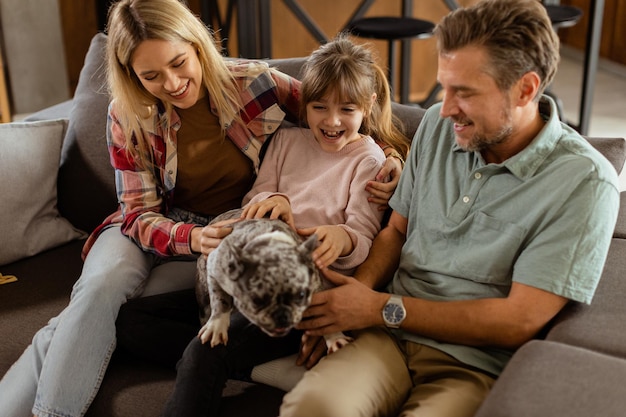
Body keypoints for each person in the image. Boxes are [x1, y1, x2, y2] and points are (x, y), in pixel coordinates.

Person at [0, 1, 403, 417]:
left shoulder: (253, 83)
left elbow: (339, 113)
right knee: (99, 290)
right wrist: (190, 237)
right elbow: (138, 213)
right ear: (131, 75)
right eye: (151, 76)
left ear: (197, 46)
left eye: (178, 63)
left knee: (99, 318)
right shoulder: (127, 113)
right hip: (150, 231)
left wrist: (392, 158)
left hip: (221, 236)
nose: (172, 83)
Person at [278, 1, 621, 416]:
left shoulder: (584, 182)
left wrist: (378, 308)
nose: (445, 107)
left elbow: (518, 321)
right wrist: (352, 302)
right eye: (445, 86)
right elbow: (396, 232)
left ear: (526, 89)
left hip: (472, 364)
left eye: (465, 92)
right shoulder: (441, 127)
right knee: (312, 408)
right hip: (386, 339)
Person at [113, 34, 410, 416]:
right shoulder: (286, 140)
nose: (332, 121)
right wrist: (271, 200)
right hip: (249, 276)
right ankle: (255, 364)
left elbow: (364, 236)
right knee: (129, 321)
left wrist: (342, 237)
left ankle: (218, 356)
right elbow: (255, 196)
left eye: (347, 110)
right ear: (304, 103)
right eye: (320, 107)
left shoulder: (368, 162)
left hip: (300, 291)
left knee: (203, 354)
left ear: (367, 106)